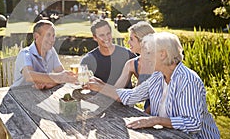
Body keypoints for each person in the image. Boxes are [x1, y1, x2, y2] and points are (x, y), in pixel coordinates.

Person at [85, 32, 220, 139]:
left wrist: (156, 120)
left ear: (162, 54)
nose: (142, 59)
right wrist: (100, 85)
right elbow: (131, 96)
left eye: (148, 53)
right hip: (168, 135)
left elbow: (193, 124)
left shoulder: (188, 80)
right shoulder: (157, 76)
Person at [12, 20, 77, 89]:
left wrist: (50, 84)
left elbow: (61, 72)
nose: (52, 40)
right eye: (48, 35)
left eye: (53, 36)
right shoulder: (25, 54)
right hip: (18, 95)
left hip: (38, 95)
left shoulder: (51, 51)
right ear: (36, 36)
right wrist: (58, 78)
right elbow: (29, 76)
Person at [114, 21, 155, 113]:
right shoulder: (131, 64)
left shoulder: (161, 63)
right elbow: (116, 91)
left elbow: (161, 98)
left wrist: (144, 116)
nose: (128, 42)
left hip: (167, 115)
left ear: (143, 42)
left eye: (131, 39)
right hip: (147, 115)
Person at [80, 19, 137, 85]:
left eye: (108, 33)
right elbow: (82, 83)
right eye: (102, 35)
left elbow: (144, 78)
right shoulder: (88, 60)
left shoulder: (127, 54)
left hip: (125, 95)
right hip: (99, 95)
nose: (106, 38)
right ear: (95, 37)